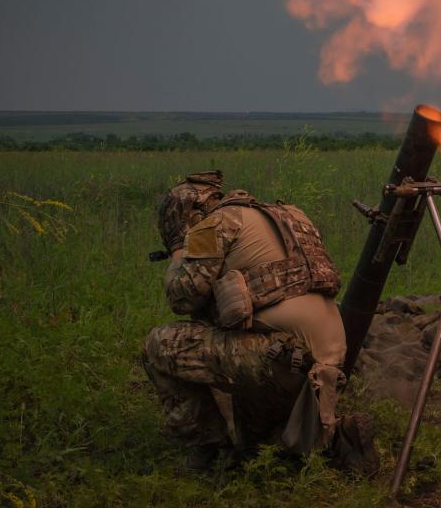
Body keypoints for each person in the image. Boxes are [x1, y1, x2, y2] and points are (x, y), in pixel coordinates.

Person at [141, 171, 376, 473]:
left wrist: (178, 251)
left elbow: (182, 298)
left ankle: (209, 452)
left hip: (279, 359)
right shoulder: (290, 215)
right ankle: (337, 439)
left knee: (159, 345)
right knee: (258, 445)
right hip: (327, 366)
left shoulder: (213, 224)